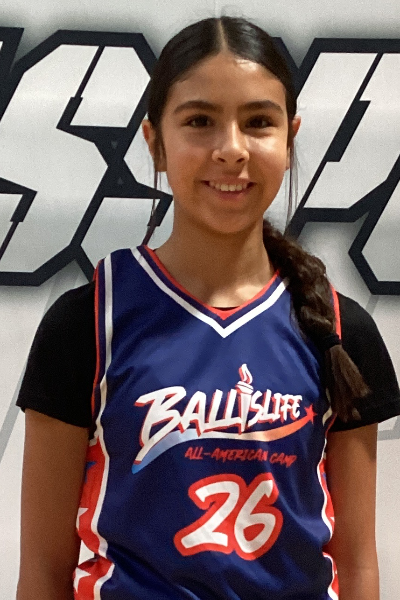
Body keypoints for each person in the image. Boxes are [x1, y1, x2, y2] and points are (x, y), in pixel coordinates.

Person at [16, 16, 400, 600]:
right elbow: (44, 570)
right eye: (199, 121)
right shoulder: (88, 322)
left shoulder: (341, 330)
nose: (231, 150)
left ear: (290, 139)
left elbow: (358, 564)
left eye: (259, 122)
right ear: (154, 143)